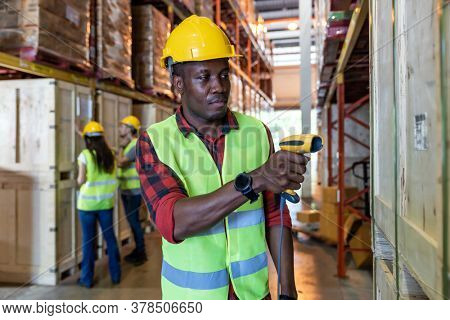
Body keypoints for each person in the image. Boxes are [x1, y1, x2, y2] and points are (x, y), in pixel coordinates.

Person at [136, 15, 307, 300]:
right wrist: (256, 179)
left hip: (253, 296)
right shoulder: (155, 142)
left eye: (224, 74)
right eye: (204, 77)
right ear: (178, 85)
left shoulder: (256, 131)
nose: (218, 86)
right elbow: (173, 222)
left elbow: (276, 214)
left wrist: (288, 293)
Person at [77, 121, 121, 288]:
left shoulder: (85, 155)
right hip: (106, 204)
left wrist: (78, 180)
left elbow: (81, 180)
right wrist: (81, 132)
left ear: (87, 139)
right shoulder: (111, 155)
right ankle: (116, 275)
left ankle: (86, 279)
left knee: (88, 242)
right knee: (110, 239)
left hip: (87, 207)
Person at [117, 115, 147, 266]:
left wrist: (121, 147)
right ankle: (138, 250)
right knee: (132, 221)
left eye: (123, 126)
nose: (119, 128)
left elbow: (120, 162)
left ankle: (141, 252)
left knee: (134, 221)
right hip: (127, 190)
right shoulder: (130, 144)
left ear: (130, 130)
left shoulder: (134, 144)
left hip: (133, 191)